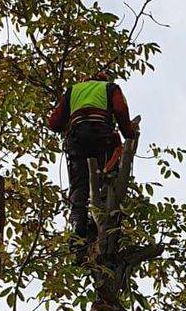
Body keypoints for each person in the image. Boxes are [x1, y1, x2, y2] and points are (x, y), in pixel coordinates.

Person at [47, 72, 139, 241]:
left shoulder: (73, 90)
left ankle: (78, 228)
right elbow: (120, 108)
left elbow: (54, 122)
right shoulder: (110, 87)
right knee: (107, 175)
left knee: (78, 184)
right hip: (101, 136)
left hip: (77, 139)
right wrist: (129, 133)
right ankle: (104, 210)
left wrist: (66, 123)